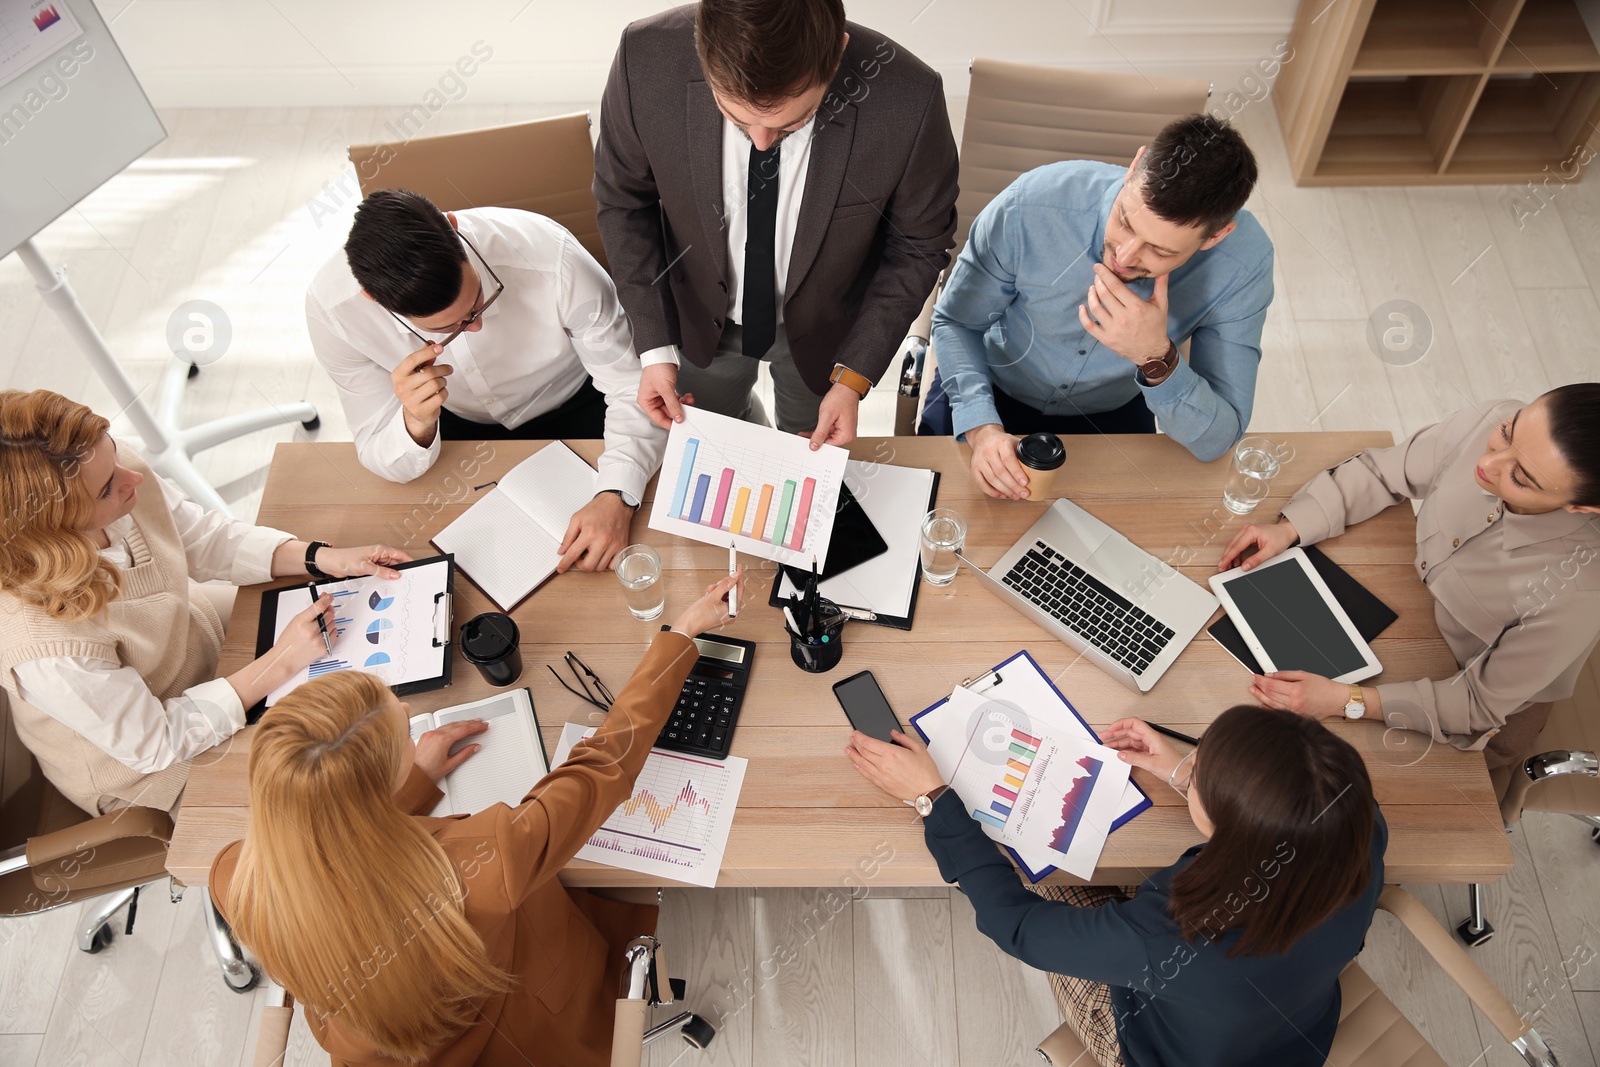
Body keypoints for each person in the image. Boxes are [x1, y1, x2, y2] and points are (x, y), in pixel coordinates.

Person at [211, 570, 744, 1067]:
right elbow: (603, 764)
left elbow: (331, 841)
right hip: (542, 1036)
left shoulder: (234, 877)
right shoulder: (486, 859)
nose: (410, 718)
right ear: (375, 788)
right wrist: (683, 636)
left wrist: (415, 783)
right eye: (404, 734)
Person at [846, 706, 1384, 1067]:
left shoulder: (1174, 939)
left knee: (1032, 862)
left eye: (1200, 769)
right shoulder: (1354, 821)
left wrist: (932, 798)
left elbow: (1017, 927)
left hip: (1152, 1047)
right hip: (1290, 1037)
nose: (1190, 763)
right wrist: (1185, 776)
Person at [0, 389, 408, 815]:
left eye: (115, 453)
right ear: (54, 529)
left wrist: (322, 558)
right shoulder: (44, 647)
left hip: (197, 644)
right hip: (153, 767)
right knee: (348, 791)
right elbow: (157, 743)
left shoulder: (108, 472)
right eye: (107, 488)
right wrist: (280, 661)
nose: (133, 478)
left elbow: (199, 538)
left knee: (380, 690)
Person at [593, 0, 959, 448]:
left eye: (792, 124)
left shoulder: (910, 99)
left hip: (828, 337)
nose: (762, 143)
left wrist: (852, 378)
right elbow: (624, 203)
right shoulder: (644, 56)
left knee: (804, 452)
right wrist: (654, 348)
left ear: (838, 53)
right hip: (695, 319)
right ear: (700, 50)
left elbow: (918, 245)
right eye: (737, 118)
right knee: (714, 441)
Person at [1219, 385, 1600, 767]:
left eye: (1521, 478)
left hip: (1469, 704)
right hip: (1409, 608)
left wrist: (1346, 701)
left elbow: (1477, 704)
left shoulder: (1578, 592)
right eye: (1507, 433)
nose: (1488, 463)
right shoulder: (1493, 418)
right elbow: (1385, 472)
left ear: (1582, 507)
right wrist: (1292, 528)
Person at [307, 189, 667, 572]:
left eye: (481, 299)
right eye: (451, 327)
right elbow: (377, 446)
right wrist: (415, 423)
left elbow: (632, 387)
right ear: (374, 300)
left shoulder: (552, 256)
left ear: (453, 226)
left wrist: (617, 494)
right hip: (456, 428)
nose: (476, 326)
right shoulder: (333, 312)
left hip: (580, 400)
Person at [925, 114, 1274, 495]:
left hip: (1111, 413)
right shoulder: (1030, 205)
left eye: (1159, 250)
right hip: (987, 385)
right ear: (1135, 166)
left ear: (1216, 236)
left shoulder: (1243, 264)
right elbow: (956, 322)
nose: (1124, 256)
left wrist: (1155, 357)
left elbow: (1217, 441)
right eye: (1125, 221)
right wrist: (981, 428)